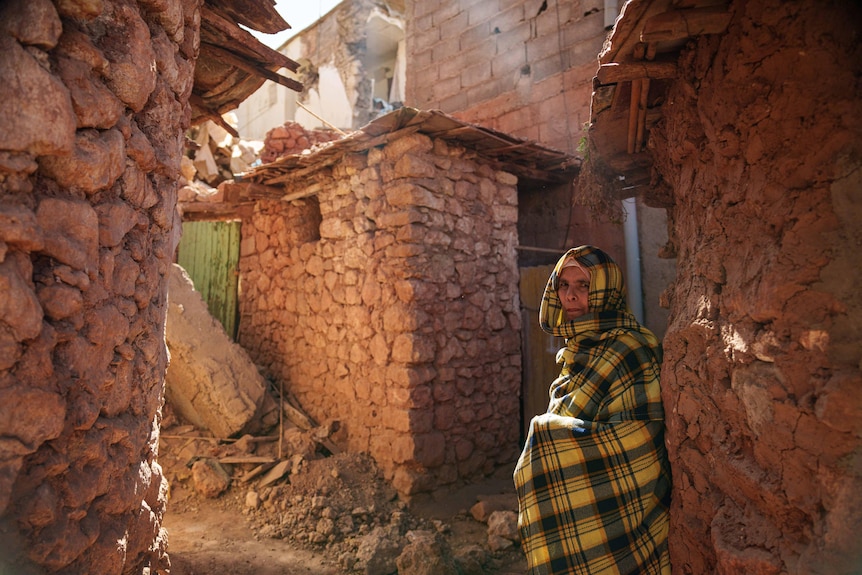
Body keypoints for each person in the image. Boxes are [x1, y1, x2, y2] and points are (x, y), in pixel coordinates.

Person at [514, 245, 671, 574]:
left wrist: (547, 441)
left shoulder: (633, 348)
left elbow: (641, 440)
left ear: (606, 290)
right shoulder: (577, 351)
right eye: (563, 285)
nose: (570, 296)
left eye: (583, 286)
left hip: (625, 511)